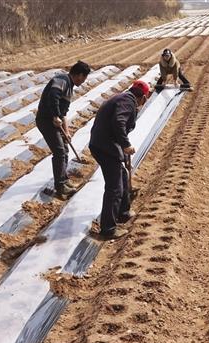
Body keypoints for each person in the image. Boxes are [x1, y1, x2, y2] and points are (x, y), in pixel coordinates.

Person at [88, 80, 150, 240]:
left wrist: (122, 147)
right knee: (114, 187)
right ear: (142, 97)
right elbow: (119, 122)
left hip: (103, 144)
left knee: (122, 176)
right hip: (104, 147)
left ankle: (123, 213)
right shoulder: (127, 101)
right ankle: (108, 229)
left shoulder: (122, 98)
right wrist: (126, 144)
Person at [36, 60, 91, 198]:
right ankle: (60, 186)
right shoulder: (62, 80)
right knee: (59, 151)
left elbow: (63, 114)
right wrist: (55, 116)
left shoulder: (69, 86)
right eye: (84, 78)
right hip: (46, 121)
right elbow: (53, 96)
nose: (83, 81)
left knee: (65, 149)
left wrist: (66, 131)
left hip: (55, 121)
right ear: (79, 75)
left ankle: (64, 180)